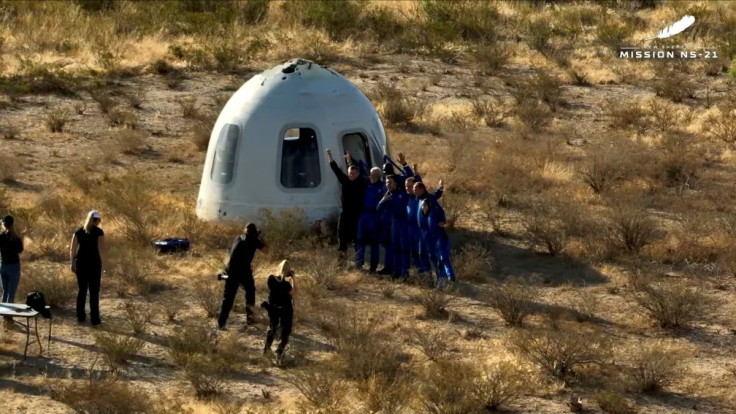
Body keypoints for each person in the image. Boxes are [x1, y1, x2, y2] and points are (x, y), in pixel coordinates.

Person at [218, 223, 267, 330]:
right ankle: (250, 319)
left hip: (230, 270)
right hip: (243, 271)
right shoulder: (254, 240)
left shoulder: (239, 237)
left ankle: (221, 324)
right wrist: (260, 238)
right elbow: (266, 250)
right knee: (250, 293)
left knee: (228, 298)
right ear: (254, 233)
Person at [326, 149, 367, 265]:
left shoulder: (361, 183)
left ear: (357, 174)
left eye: (354, 174)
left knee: (356, 238)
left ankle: (359, 262)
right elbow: (336, 169)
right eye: (350, 173)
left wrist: (350, 161)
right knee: (341, 236)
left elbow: (360, 169)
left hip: (356, 214)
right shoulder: (345, 180)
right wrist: (330, 155)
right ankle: (341, 260)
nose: (351, 175)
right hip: (345, 213)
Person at [377, 153, 414, 275]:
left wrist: (404, 164)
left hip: (402, 219)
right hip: (390, 218)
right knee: (392, 245)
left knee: (403, 247)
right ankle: (394, 270)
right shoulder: (386, 186)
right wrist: (383, 199)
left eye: (387, 172)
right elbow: (379, 207)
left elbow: (410, 177)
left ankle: (404, 272)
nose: (386, 175)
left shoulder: (399, 183)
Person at [70, 210, 106, 325]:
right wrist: (104, 265)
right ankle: (95, 319)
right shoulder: (99, 232)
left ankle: (81, 316)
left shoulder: (78, 231)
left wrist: (72, 263)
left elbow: (72, 248)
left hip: (81, 264)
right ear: (96, 220)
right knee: (94, 292)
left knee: (82, 290)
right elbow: (101, 250)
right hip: (94, 264)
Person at [263, 260, 295, 364]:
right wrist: (293, 278)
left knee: (272, 326)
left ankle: (266, 350)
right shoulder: (287, 285)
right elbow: (293, 292)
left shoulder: (270, 279)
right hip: (286, 308)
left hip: (273, 307)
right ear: (288, 271)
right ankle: (279, 351)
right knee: (286, 330)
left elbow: (269, 289)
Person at [418, 198, 455, 286]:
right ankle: (442, 279)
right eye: (422, 205)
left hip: (440, 239)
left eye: (425, 205)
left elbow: (442, 218)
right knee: (436, 260)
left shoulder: (433, 214)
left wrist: (442, 222)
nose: (423, 207)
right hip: (431, 242)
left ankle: (451, 278)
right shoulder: (423, 216)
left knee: (443, 258)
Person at [356, 167, 386, 273]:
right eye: (371, 174)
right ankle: (359, 263)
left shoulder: (382, 187)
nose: (372, 176)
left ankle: (373, 266)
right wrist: (349, 162)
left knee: (374, 242)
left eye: (374, 174)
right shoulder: (366, 184)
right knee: (360, 240)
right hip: (364, 215)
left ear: (378, 175)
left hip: (375, 216)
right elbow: (357, 175)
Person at [413, 180, 444, 274]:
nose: (414, 191)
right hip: (421, 231)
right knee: (421, 252)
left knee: (432, 254)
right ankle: (426, 273)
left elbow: (437, 196)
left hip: (428, 231)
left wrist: (440, 187)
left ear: (422, 189)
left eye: (415, 189)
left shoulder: (429, 198)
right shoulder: (419, 199)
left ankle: (440, 276)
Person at [0, 215, 24, 303]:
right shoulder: (16, 238)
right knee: (11, 293)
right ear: (12, 224)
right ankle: (9, 315)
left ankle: (3, 314)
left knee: (5, 292)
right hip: (13, 266)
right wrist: (22, 238)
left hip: (3, 265)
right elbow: (20, 250)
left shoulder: (1, 237)